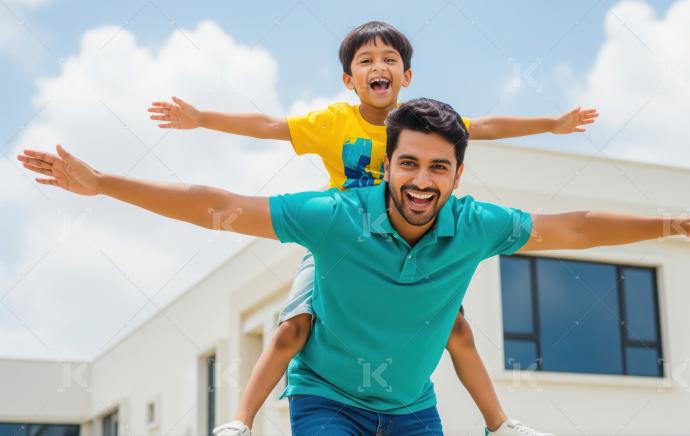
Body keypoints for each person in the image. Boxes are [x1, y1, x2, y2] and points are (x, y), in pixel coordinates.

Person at [19, 98, 690, 436]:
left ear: (457, 175)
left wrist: (678, 224)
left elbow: (572, 225)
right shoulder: (337, 217)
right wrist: (106, 183)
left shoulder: (475, 226)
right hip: (328, 402)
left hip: (411, 412)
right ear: (388, 164)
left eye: (439, 168)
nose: (422, 181)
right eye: (408, 163)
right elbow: (218, 205)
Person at [146, 21, 598, 435]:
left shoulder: (423, 124)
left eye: (389, 60)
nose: (378, 67)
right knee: (294, 326)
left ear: (407, 76)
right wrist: (202, 118)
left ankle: (498, 423)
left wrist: (552, 124)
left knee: (457, 333)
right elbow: (269, 125)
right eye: (365, 61)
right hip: (343, 249)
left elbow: (487, 125)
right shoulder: (332, 123)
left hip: (408, 248)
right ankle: (241, 421)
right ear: (349, 80)